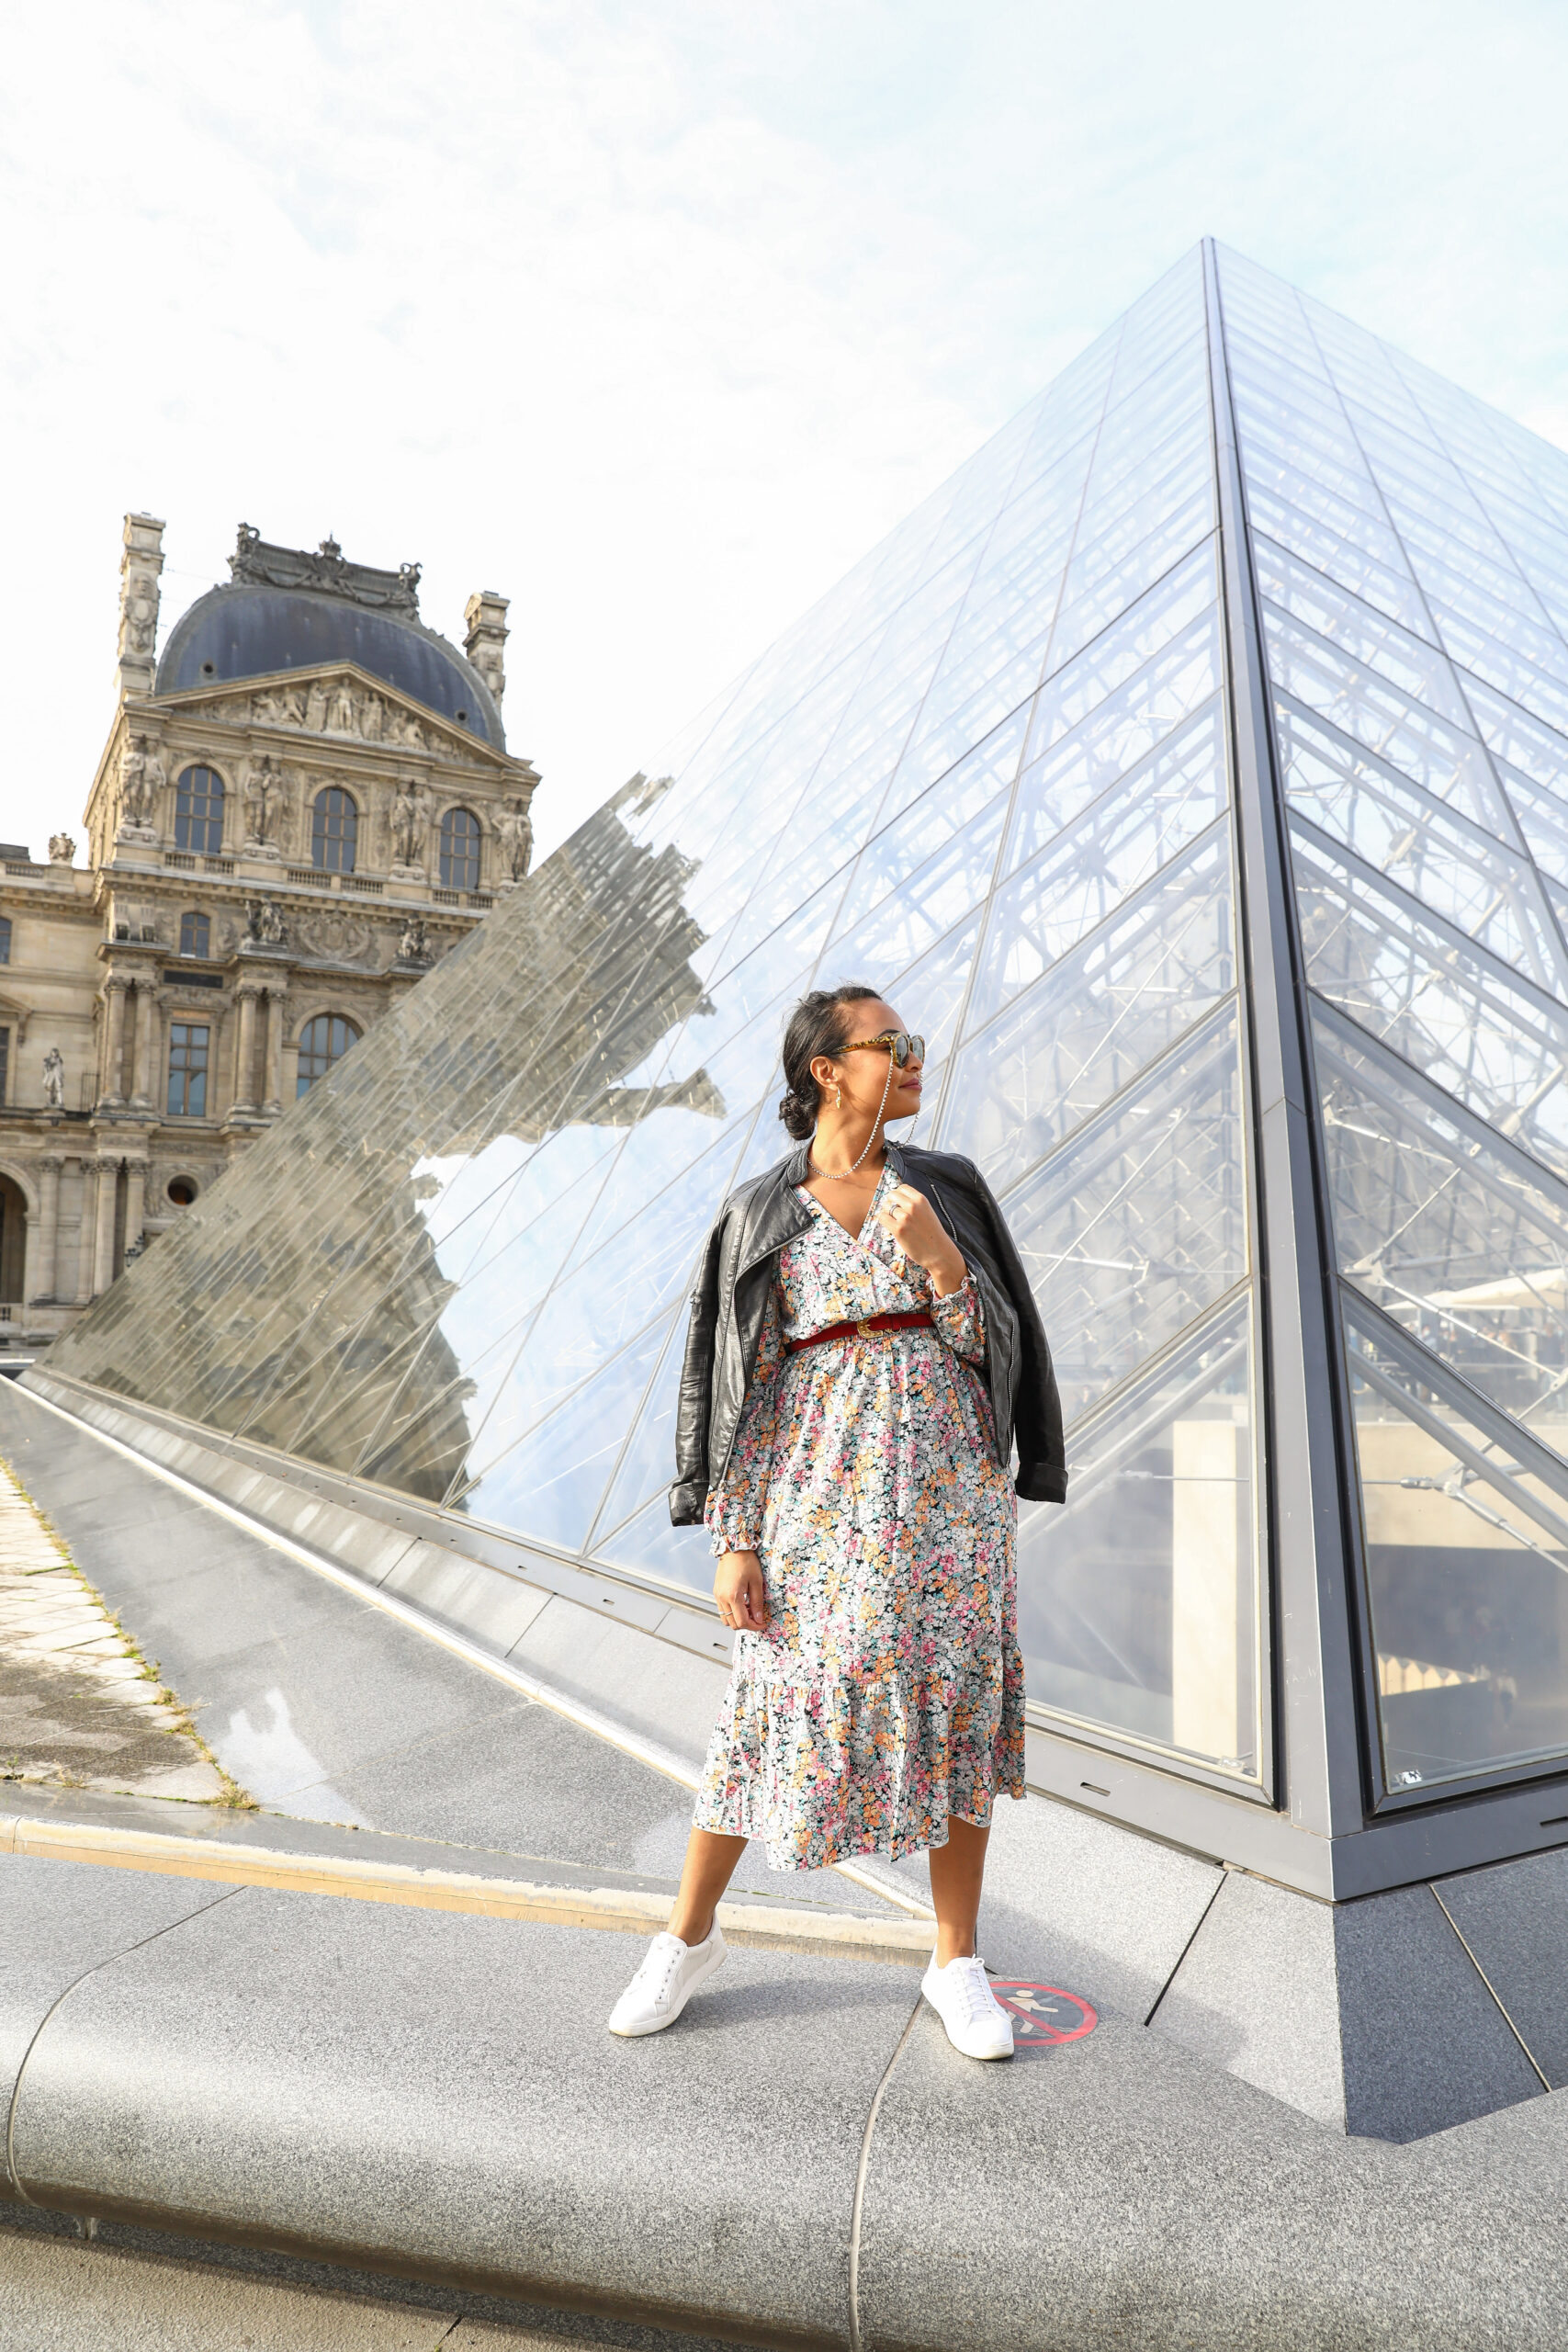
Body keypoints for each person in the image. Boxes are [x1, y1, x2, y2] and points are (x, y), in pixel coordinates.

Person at [608, 984, 1066, 2057]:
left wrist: (946, 1265)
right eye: (891, 1045)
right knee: (768, 1701)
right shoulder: (761, 1212)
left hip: (949, 1500)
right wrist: (733, 1535)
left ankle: (956, 1959)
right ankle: (687, 1935)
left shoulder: (945, 1187)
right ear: (828, 1068)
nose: (914, 1058)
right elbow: (741, 1383)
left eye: (913, 1044)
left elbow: (996, 1348)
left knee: (955, 1698)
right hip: (817, 1499)